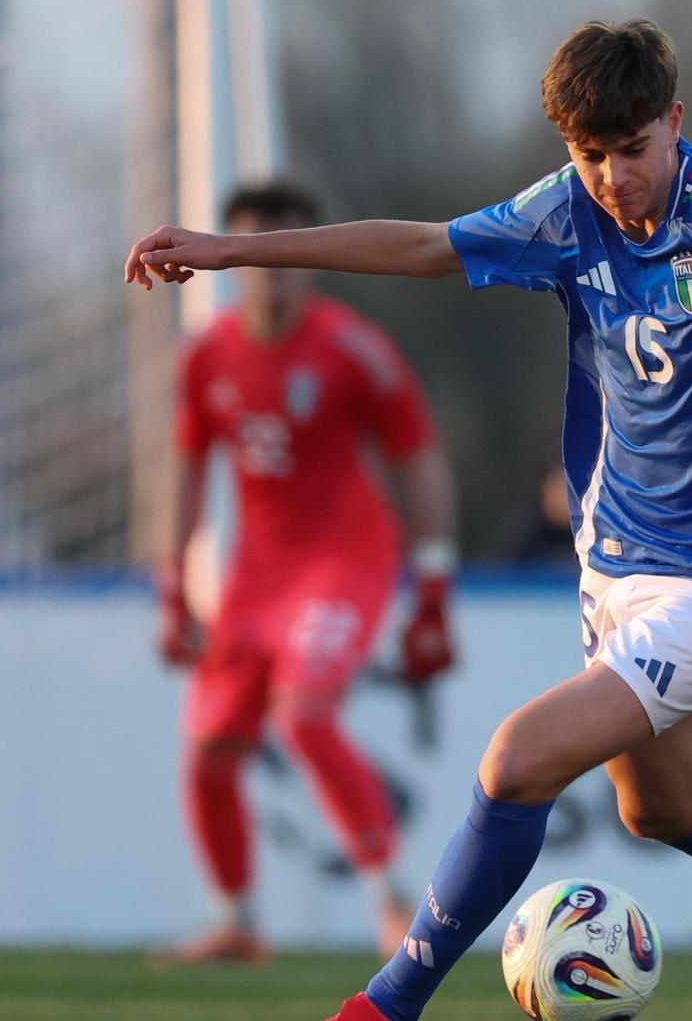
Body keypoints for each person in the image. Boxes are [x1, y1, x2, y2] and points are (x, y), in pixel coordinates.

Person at [125, 20, 692, 1021]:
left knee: (515, 760)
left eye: (633, 149)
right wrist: (233, 251)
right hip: (617, 563)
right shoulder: (565, 214)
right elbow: (421, 244)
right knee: (663, 806)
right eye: (590, 155)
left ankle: (384, 1003)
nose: (614, 175)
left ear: (674, 122)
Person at [152, 182, 462, 964]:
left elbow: (418, 462)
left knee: (303, 717)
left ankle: (397, 905)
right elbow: (185, 473)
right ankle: (236, 921)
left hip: (344, 563)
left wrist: (432, 589)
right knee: (210, 752)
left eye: (287, 249)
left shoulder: (353, 349)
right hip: (256, 577)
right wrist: (172, 587)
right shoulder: (207, 356)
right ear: (237, 258)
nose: (274, 271)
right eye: (258, 250)